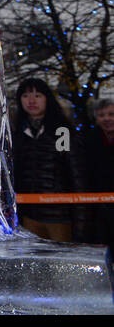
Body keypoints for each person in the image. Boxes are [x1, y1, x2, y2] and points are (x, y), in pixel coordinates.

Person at [11, 77, 86, 243]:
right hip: (29, 217)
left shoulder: (61, 131)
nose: (31, 101)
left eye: (38, 95)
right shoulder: (17, 133)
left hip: (60, 217)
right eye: (25, 96)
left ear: (47, 99)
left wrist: (81, 219)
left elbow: (75, 173)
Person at [78, 97, 114, 248]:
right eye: (101, 115)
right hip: (97, 205)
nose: (107, 119)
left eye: (111, 114)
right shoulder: (87, 139)